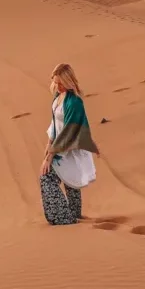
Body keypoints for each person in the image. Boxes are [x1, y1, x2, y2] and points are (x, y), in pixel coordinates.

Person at [40, 63, 100, 225]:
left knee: (47, 176)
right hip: (59, 145)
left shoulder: (74, 103)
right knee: (70, 181)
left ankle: (62, 217)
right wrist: (47, 149)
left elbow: (68, 131)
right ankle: (74, 214)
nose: (57, 86)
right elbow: (54, 126)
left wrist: (50, 156)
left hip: (69, 146)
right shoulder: (58, 98)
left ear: (68, 81)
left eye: (60, 83)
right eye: (55, 82)